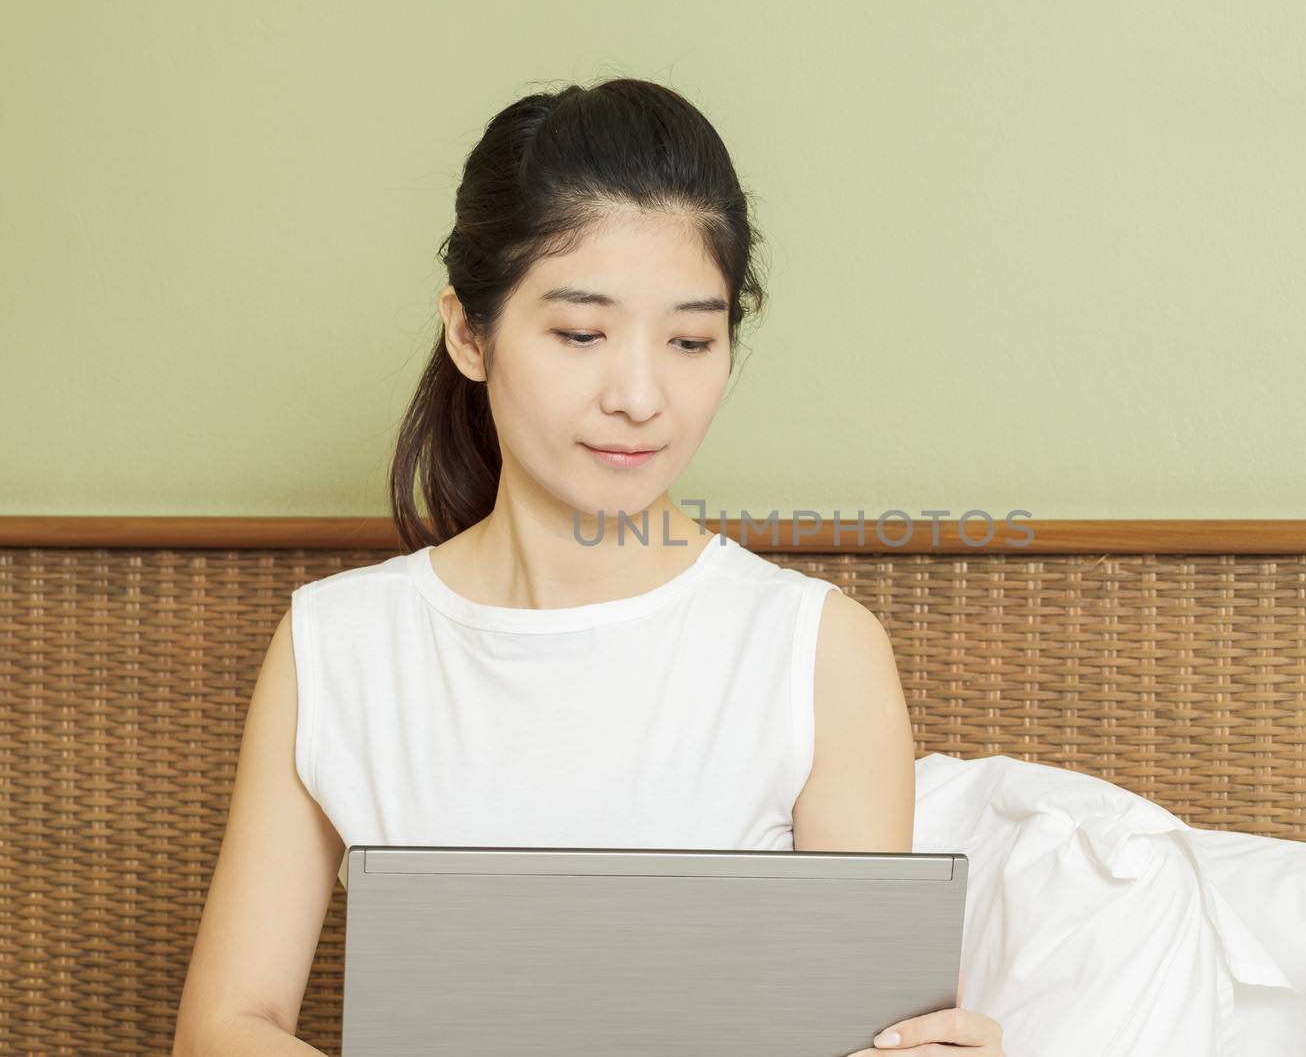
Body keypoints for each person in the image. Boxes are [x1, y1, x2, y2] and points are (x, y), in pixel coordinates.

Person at [171, 77, 1004, 1056]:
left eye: (691, 339)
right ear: (469, 332)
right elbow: (227, 1023)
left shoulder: (815, 650)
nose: (641, 395)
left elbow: (863, 1028)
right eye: (580, 334)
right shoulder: (337, 644)